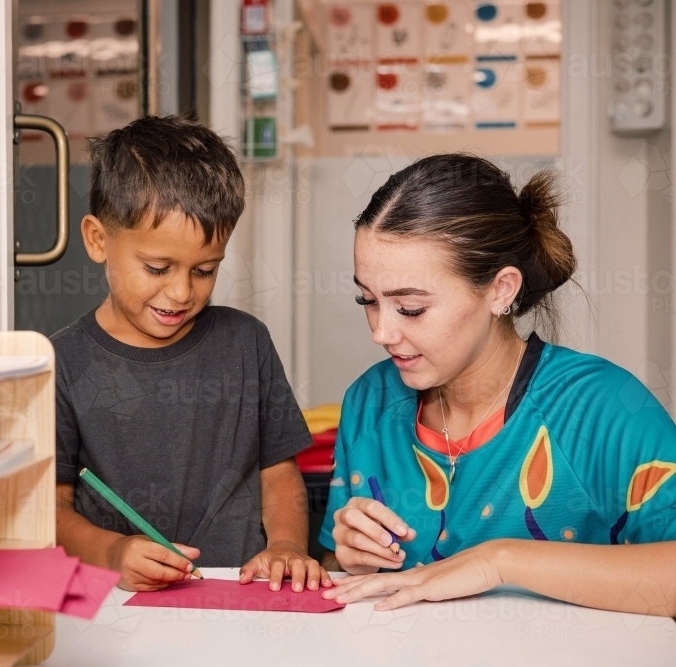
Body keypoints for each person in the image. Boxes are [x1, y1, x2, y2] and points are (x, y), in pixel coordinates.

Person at [319, 154, 676, 616]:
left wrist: (500, 561)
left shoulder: (601, 409)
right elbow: (336, 570)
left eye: (410, 308)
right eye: (368, 300)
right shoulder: (370, 402)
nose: (381, 332)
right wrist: (348, 557)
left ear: (501, 290)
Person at [53, 113, 329, 592]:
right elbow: (50, 513)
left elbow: (279, 477)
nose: (181, 293)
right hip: (116, 602)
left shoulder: (247, 342)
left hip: (238, 593)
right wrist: (114, 553)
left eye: (204, 271)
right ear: (99, 241)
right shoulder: (60, 364)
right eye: (158, 268)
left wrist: (287, 546)